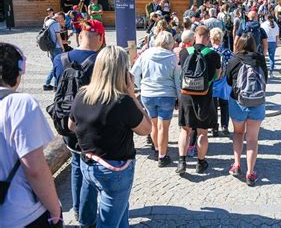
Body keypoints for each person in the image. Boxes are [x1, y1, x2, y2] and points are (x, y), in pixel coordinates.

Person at [69, 46, 152, 227]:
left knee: (119, 213)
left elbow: (71, 125)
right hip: (115, 170)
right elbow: (146, 129)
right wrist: (133, 96)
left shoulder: (82, 93)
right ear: (122, 72)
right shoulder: (123, 101)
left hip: (88, 164)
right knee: (108, 222)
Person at [0, 43, 63, 227]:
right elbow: (35, 169)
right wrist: (55, 210)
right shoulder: (19, 104)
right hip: (22, 214)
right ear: (19, 70)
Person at [52, 20, 104, 225]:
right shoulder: (101, 61)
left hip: (66, 121)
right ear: (100, 38)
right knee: (89, 167)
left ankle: (76, 209)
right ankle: (87, 216)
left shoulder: (60, 58)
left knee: (76, 165)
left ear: (78, 36)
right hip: (92, 123)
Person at [176, 26, 221, 175]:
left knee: (185, 130)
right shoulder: (213, 54)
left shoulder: (184, 52)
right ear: (208, 38)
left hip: (186, 96)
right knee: (202, 132)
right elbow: (218, 75)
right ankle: (200, 163)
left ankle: (182, 162)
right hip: (205, 97)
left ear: (195, 36)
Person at [132, 32, 181, 167]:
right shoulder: (173, 58)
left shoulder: (145, 54)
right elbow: (178, 81)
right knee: (163, 127)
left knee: (154, 125)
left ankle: (157, 149)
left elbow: (133, 73)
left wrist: (140, 85)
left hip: (148, 94)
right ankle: (162, 156)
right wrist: (179, 98)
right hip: (166, 94)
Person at [226, 34, 268, 187]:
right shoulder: (260, 59)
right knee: (252, 139)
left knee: (238, 133)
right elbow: (266, 80)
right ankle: (250, 172)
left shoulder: (234, 59)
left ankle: (237, 164)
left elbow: (229, 81)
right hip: (257, 102)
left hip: (238, 101)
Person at [210, 28, 233, 137]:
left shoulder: (208, 51)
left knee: (213, 106)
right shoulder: (227, 52)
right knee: (225, 104)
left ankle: (214, 127)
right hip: (224, 81)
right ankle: (225, 126)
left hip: (212, 82)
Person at [44, 12, 65, 91]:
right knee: (58, 66)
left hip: (50, 47)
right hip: (57, 48)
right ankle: (56, 86)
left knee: (54, 66)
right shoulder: (55, 24)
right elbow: (58, 37)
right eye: (61, 19)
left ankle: (47, 84)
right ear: (59, 17)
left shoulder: (48, 22)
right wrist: (63, 48)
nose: (61, 21)